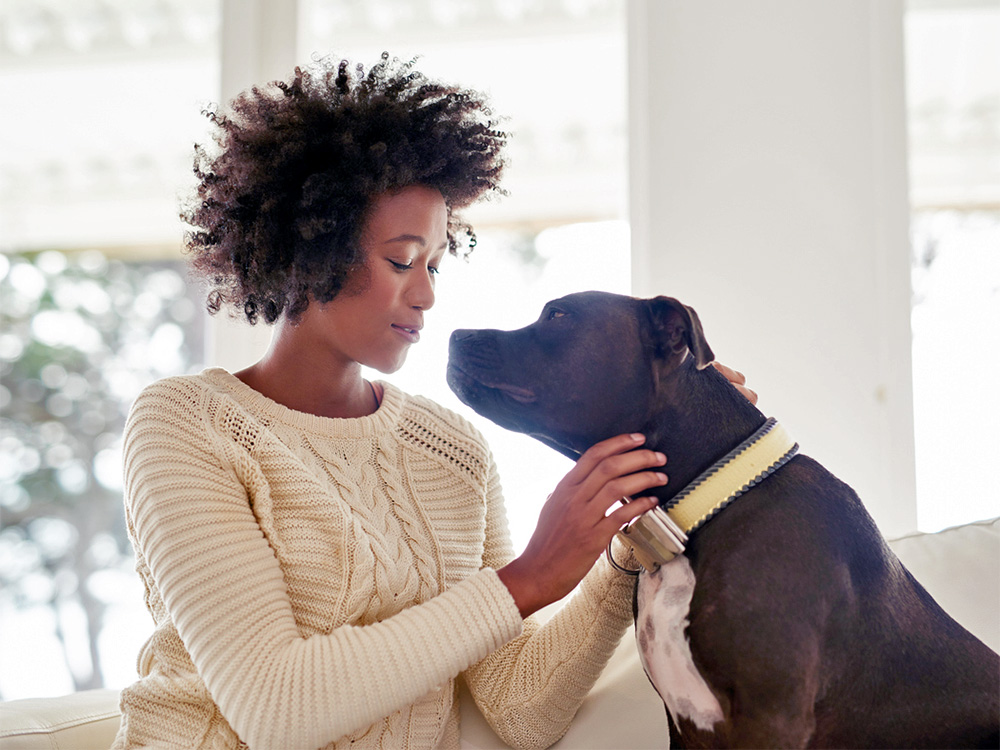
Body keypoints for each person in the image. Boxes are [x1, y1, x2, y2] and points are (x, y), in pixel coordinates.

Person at [113, 54, 754, 750]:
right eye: (400, 260)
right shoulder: (185, 424)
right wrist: (529, 576)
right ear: (311, 247)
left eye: (436, 265)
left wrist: (617, 547)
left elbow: (518, 710)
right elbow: (276, 706)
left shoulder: (451, 450)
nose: (426, 294)